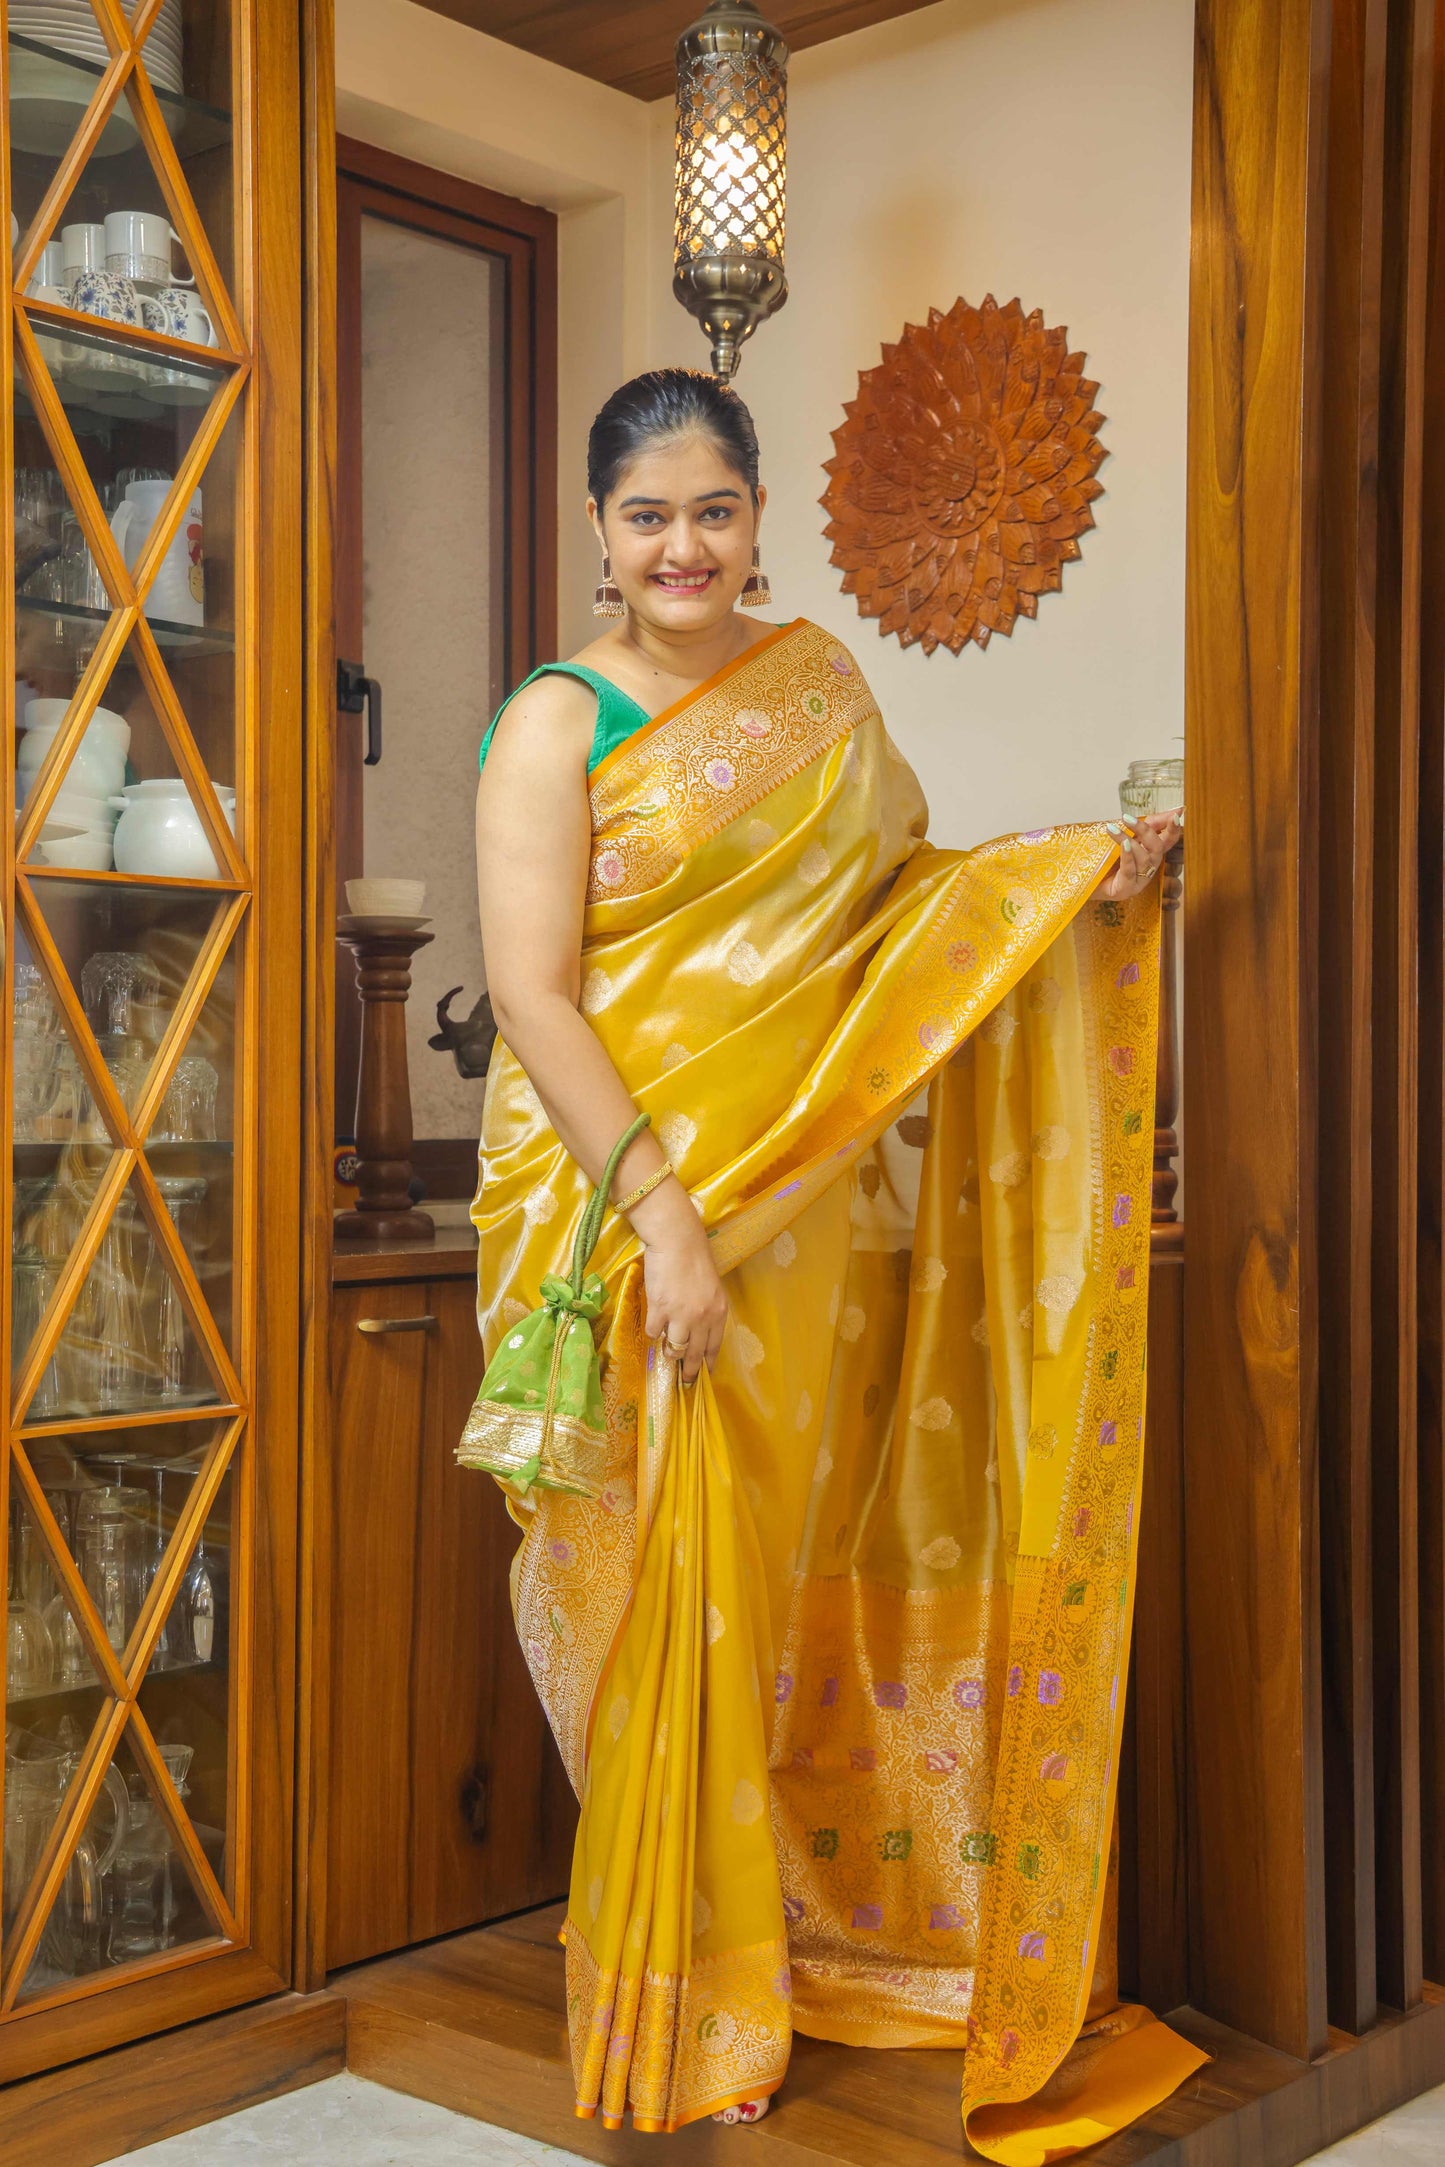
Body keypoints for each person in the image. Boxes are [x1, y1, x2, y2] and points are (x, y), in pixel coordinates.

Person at [469, 368, 1199, 2159]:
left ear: (755, 517)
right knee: (659, 1580)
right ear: (597, 532)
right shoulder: (555, 721)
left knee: (775, 1567)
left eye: (712, 510)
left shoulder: (816, 687)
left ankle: (794, 1936)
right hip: (623, 1213)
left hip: (799, 1207)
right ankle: (680, 1987)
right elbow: (535, 996)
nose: (684, 547)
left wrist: (1076, 880)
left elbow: (896, 911)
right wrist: (665, 1223)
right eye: (648, 516)